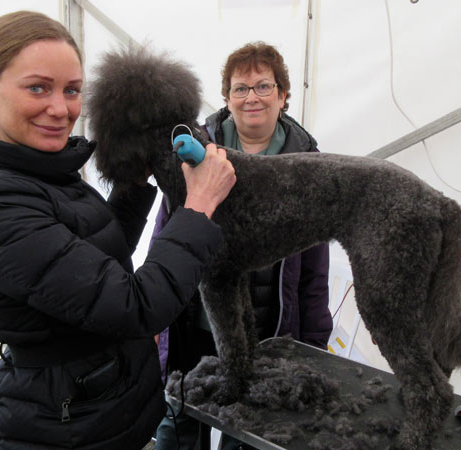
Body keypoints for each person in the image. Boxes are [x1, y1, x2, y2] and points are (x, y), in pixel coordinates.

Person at [0, 10, 235, 450]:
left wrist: (135, 184)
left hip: (101, 411)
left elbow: (92, 257)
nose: (60, 109)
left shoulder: (40, 170)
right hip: (63, 428)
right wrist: (198, 209)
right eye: (37, 87)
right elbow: (133, 306)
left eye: (72, 90)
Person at [154, 41, 333, 450]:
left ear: (284, 96)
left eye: (263, 86)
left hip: (268, 335)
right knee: (178, 429)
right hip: (193, 324)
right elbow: (166, 232)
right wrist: (155, 316)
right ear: (227, 99)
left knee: (250, 436)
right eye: (240, 88)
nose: (251, 97)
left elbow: (314, 272)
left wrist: (315, 344)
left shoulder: (310, 164)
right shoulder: (192, 152)